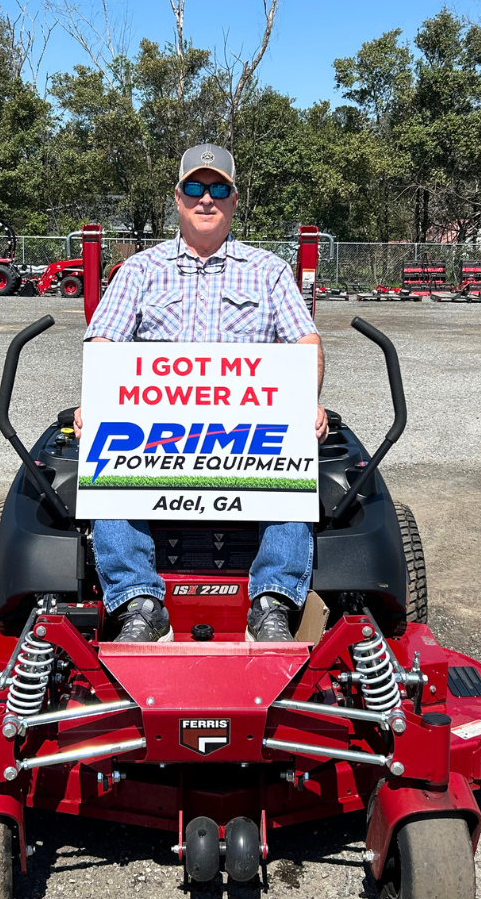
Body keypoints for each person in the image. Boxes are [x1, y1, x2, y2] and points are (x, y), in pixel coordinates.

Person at [75, 144, 328, 644]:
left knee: (297, 448)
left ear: (233, 200)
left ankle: (273, 603)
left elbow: (306, 343)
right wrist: (97, 400)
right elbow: (104, 342)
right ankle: (138, 604)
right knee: (101, 454)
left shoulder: (269, 271)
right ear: (178, 198)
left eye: (218, 189)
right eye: (194, 187)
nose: (205, 199)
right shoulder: (139, 271)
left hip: (247, 432)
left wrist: (305, 400)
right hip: (158, 435)